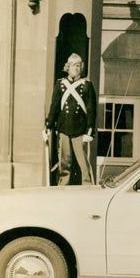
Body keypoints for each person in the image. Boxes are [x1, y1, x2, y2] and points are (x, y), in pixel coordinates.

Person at [44, 53, 96, 185]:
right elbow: (54, 107)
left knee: (84, 165)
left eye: (78, 65)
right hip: (64, 130)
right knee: (64, 165)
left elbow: (91, 111)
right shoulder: (60, 84)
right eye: (73, 65)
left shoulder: (87, 85)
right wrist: (48, 127)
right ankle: (62, 189)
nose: (76, 68)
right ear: (68, 67)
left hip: (80, 131)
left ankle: (88, 188)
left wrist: (89, 132)